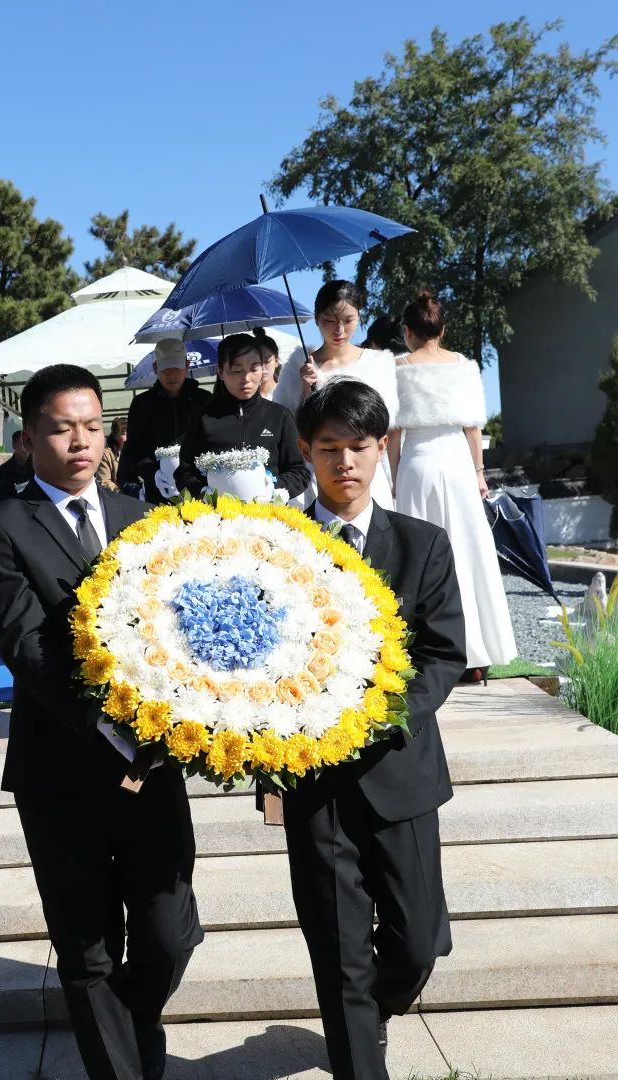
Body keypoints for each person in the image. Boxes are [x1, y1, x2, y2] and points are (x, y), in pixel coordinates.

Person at [0, 364, 203, 1080]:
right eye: (62, 427)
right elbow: (28, 648)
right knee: (87, 948)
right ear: (30, 435)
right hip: (61, 769)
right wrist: (112, 726)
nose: (79, 442)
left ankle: (132, 1029)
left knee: (169, 935)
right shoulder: (1, 531)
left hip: (153, 770)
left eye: (92, 427)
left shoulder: (144, 521)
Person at [285, 379, 466, 1080]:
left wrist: (388, 718)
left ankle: (374, 1014)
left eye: (358, 446)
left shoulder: (422, 545)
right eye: (328, 448)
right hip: (313, 781)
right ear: (306, 452)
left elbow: (444, 652)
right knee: (338, 953)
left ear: (380, 448)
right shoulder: (275, 549)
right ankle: (360, 1056)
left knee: (417, 944)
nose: (345, 462)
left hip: (402, 773)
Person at [391, 290, 516, 681]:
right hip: (458, 464)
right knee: (468, 551)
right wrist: (479, 471)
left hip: (417, 464)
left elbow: (394, 433)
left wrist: (394, 478)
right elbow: (473, 427)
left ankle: (422, 648)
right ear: (442, 329)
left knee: (418, 557)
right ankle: (476, 653)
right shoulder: (464, 366)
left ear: (407, 331)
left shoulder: (397, 367)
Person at [274, 280, 399, 507]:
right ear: (316, 319)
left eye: (348, 320)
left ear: (360, 316)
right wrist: (305, 388)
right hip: (317, 469)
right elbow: (288, 423)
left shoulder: (378, 363)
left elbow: (385, 421)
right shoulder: (299, 362)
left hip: (364, 468)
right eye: (329, 321)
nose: (339, 330)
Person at [175, 333, 310, 500]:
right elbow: (184, 472)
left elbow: (299, 471)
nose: (246, 379)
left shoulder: (279, 415)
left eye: (254, 369)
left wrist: (273, 491)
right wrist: (205, 494)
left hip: (269, 517)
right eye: (236, 370)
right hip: (215, 518)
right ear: (221, 372)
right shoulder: (203, 417)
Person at [118, 338, 212, 503]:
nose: (171, 374)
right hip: (157, 492)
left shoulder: (204, 400)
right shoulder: (142, 404)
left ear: (187, 365)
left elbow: (213, 443)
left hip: (199, 488)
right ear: (155, 368)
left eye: (176, 367)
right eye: (165, 369)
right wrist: (152, 473)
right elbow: (132, 450)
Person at [0, 429, 34, 500]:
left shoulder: (39, 469)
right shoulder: (2, 472)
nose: (26, 445)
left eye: (28, 441)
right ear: (14, 445)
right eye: (22, 443)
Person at [96, 416, 128, 490]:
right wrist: (122, 493)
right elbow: (103, 481)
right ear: (115, 436)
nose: (128, 437)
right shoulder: (106, 455)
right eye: (124, 434)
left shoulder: (136, 452)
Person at [252, 329, 282, 399]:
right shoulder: (244, 397)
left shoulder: (288, 392)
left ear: (276, 361)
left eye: (267, 361)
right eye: (257, 362)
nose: (262, 367)